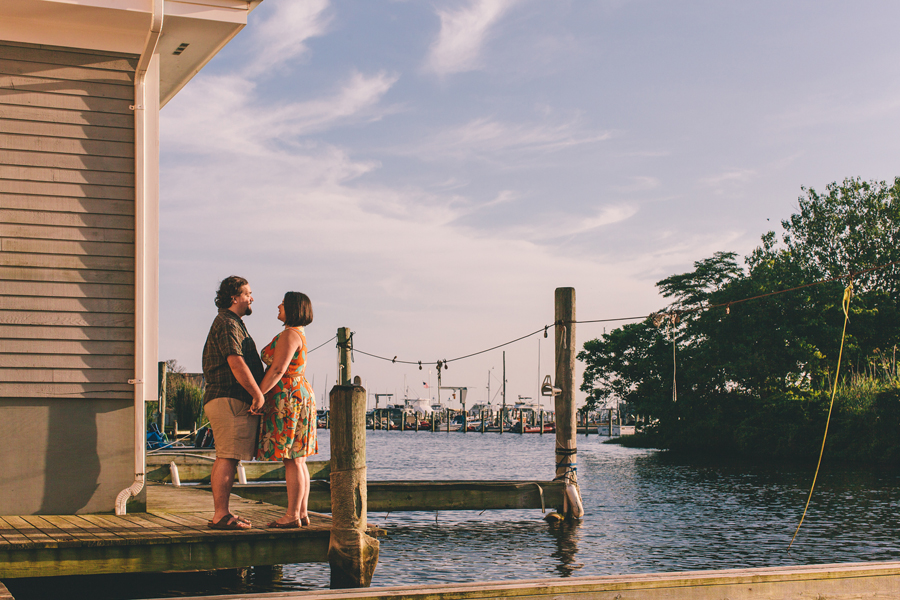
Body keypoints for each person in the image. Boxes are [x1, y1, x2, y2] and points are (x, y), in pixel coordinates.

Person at [201, 276, 265, 530]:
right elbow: (236, 362)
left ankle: (223, 513)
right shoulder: (227, 323)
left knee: (229, 456)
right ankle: (220, 515)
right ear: (234, 297)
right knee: (227, 456)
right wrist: (258, 394)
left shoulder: (232, 323)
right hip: (227, 397)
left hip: (227, 398)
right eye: (248, 293)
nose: (252, 298)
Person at [256, 291, 317, 528]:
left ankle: (292, 514)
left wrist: (258, 395)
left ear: (293, 308)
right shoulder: (298, 333)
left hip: (288, 398)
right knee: (298, 459)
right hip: (300, 394)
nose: (279, 305)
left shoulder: (290, 334)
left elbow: (278, 369)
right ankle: (301, 512)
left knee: (292, 459)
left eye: (283, 303)